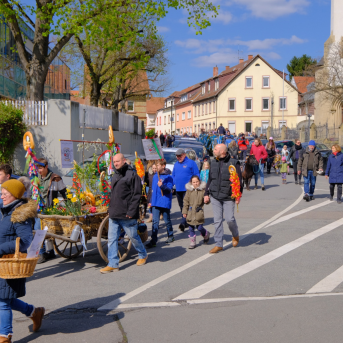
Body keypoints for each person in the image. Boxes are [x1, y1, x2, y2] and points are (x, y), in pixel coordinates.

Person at [0, 179, 45, 341]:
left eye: (5, 194)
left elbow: (25, 241)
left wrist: (1, 249)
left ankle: (5, 336)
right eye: (2, 193)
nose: (2, 196)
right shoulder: (7, 211)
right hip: (3, 263)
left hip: (11, 262)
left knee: (3, 301)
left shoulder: (19, 215)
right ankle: (34, 312)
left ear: (14, 195)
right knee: (5, 298)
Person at [100, 153, 148, 273]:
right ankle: (113, 263)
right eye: (114, 162)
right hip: (114, 213)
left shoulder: (132, 175)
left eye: (118, 161)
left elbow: (137, 195)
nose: (115, 163)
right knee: (112, 239)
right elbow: (114, 195)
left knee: (133, 236)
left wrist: (131, 211)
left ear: (124, 161)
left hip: (127, 214)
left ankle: (143, 254)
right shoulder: (115, 175)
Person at [204, 144, 242, 253]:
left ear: (222, 152)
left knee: (229, 219)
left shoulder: (234, 163)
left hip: (229, 196)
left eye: (215, 149)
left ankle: (235, 235)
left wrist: (238, 195)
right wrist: (206, 193)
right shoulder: (213, 162)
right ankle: (218, 244)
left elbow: (239, 181)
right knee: (217, 220)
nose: (213, 150)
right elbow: (210, 179)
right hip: (215, 195)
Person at [36, 158, 67, 263]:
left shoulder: (55, 178)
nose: (39, 170)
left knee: (42, 230)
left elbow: (63, 192)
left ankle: (43, 253)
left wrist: (69, 205)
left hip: (49, 208)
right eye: (38, 168)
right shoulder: (36, 178)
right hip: (38, 207)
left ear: (46, 167)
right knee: (41, 230)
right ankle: (47, 252)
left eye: (41, 168)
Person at [145, 159, 174, 248]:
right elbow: (152, 190)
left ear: (163, 166)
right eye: (155, 166)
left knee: (167, 220)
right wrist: (150, 201)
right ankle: (153, 240)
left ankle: (171, 235)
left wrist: (162, 186)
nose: (156, 168)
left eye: (158, 166)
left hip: (164, 201)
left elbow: (170, 190)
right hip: (156, 202)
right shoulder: (154, 176)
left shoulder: (169, 177)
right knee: (155, 222)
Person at [172, 148, 200, 232]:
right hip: (178, 189)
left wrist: (196, 185)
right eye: (177, 156)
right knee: (181, 206)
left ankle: (183, 223)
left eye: (180, 156)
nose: (178, 157)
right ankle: (187, 220)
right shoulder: (176, 164)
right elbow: (173, 176)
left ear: (184, 155)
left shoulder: (191, 163)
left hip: (188, 189)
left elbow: (197, 174)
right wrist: (172, 185)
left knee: (186, 206)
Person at [182, 175, 210, 249]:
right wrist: (184, 212)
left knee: (200, 228)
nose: (195, 183)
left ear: (199, 182)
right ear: (191, 183)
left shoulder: (202, 191)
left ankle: (206, 234)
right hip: (190, 212)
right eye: (194, 182)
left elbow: (206, 200)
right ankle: (192, 242)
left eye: (197, 182)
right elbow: (185, 202)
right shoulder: (189, 191)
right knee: (191, 228)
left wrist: (207, 200)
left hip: (198, 213)